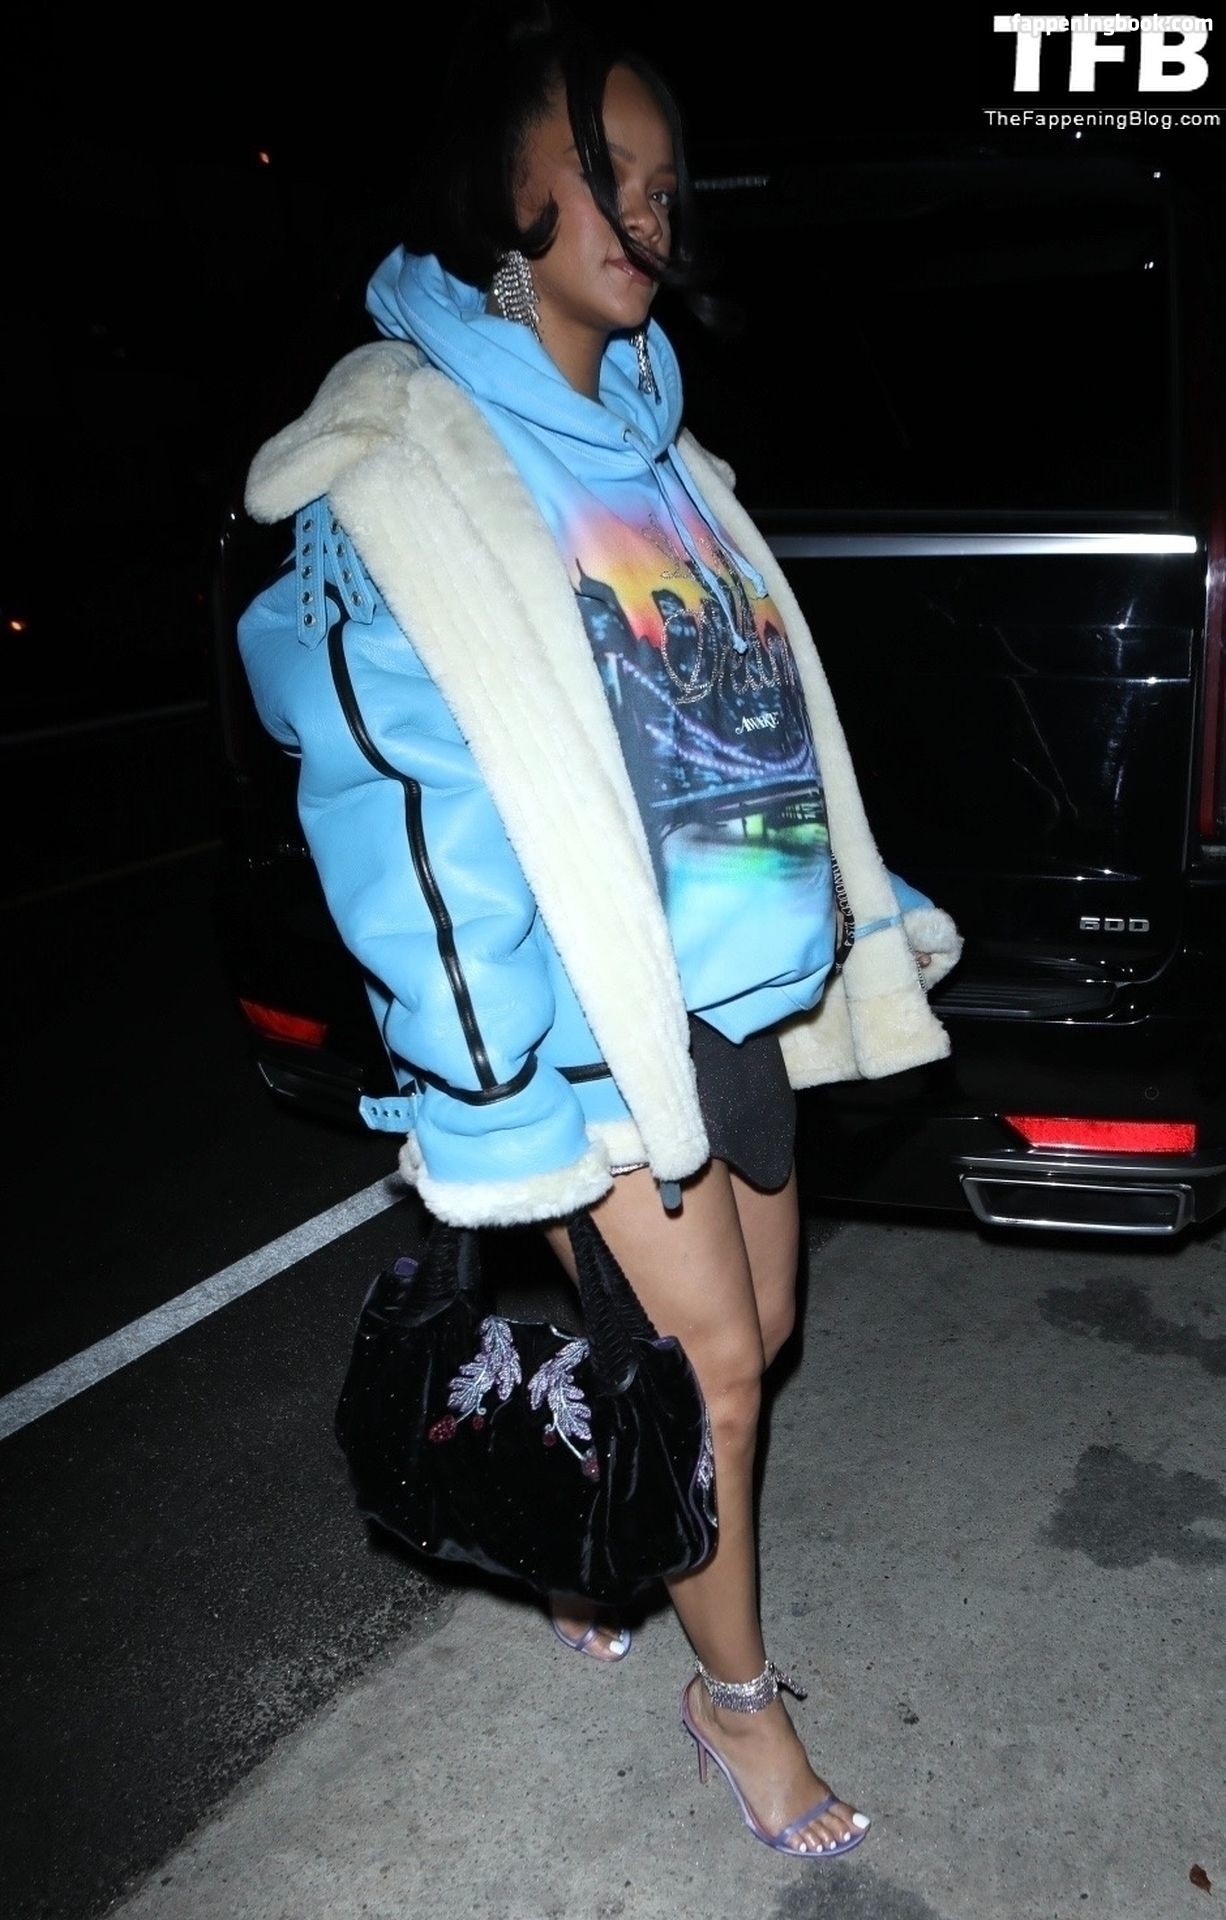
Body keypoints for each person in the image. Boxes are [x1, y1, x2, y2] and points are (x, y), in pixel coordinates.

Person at [236, 4, 961, 1861]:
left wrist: (852, 904)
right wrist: (492, 1091)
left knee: (758, 1334)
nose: (648, 211)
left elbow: (757, 715)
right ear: (504, 194)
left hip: (740, 990)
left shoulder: (661, 447)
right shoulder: (410, 458)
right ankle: (737, 1706)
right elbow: (399, 805)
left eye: (664, 181)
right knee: (712, 1370)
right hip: (588, 1016)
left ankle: (589, 1535)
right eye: (604, 172)